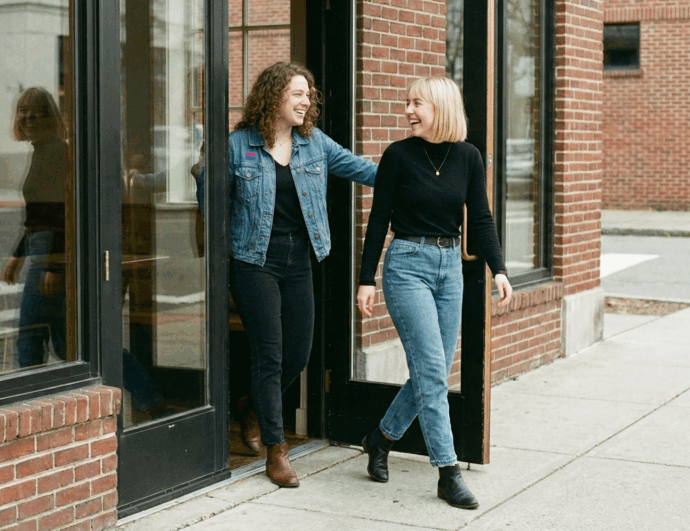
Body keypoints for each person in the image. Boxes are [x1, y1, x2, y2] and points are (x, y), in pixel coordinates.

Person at [207, 61, 378, 487]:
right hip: (253, 260)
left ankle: (251, 407)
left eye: (309, 94)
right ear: (274, 97)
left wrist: (413, 164)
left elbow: (364, 169)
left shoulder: (313, 143)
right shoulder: (237, 145)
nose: (307, 101)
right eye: (298, 94)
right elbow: (210, 201)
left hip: (299, 258)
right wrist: (225, 250)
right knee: (270, 352)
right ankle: (276, 448)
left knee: (298, 353)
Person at [355, 77, 512, 509]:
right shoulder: (398, 156)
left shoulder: (468, 157)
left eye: (416, 103)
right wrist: (366, 279)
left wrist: (498, 268)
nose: (408, 111)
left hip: (450, 270)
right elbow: (377, 221)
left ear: (440, 107)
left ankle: (380, 438)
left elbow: (480, 218)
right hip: (407, 265)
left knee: (434, 374)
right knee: (429, 367)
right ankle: (448, 472)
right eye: (407, 103)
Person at [2, 87, 71, 368]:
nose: (28, 117)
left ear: (49, 116)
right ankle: (149, 396)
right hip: (41, 246)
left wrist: (54, 266)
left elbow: (59, 211)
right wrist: (18, 257)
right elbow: (37, 216)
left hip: (49, 249)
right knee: (68, 344)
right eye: (23, 110)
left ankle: (30, 400)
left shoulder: (55, 151)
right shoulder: (42, 151)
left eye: (36, 111)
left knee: (30, 335)